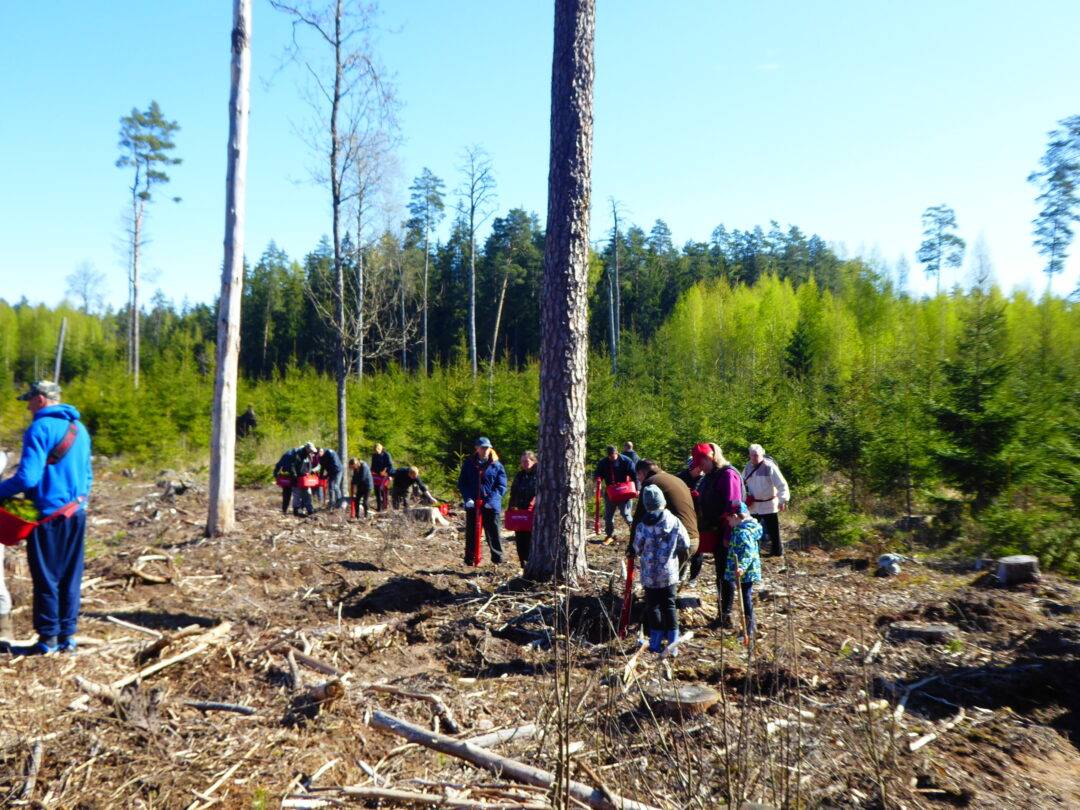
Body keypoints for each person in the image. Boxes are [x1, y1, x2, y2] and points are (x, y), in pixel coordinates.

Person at [0, 381, 92, 655]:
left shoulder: (40, 428)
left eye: (29, 401)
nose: (28, 407)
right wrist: (78, 502)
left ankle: (48, 640)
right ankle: (67, 638)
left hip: (47, 517)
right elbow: (88, 476)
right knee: (70, 576)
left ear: (40, 399)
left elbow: (27, 478)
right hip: (76, 513)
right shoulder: (80, 429)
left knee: (46, 578)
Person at [632, 485, 690, 654]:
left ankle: (655, 643)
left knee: (653, 606)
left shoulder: (642, 525)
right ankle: (673, 645)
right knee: (670, 605)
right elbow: (685, 543)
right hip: (669, 573)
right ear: (662, 502)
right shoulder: (674, 521)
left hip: (649, 575)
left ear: (646, 505)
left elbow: (637, 548)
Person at [687, 442, 743, 599]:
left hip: (726, 531)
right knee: (720, 572)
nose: (700, 468)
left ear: (709, 458)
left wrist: (728, 535)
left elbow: (733, 508)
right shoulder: (709, 476)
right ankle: (722, 609)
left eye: (701, 463)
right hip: (714, 530)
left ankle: (726, 611)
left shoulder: (727, 475)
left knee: (725, 574)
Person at [629, 459, 698, 578]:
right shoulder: (676, 479)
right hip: (693, 539)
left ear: (641, 472)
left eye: (638, 476)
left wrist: (631, 547)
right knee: (672, 580)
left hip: (678, 541)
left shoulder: (651, 483)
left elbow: (639, 516)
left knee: (663, 581)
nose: (638, 480)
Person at [457, 437, 508, 565]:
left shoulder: (496, 465)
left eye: (487, 448)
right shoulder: (469, 464)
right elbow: (463, 483)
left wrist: (491, 501)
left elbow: (501, 486)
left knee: (493, 532)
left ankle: (497, 559)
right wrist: (468, 498)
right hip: (473, 504)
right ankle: (470, 559)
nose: (485, 450)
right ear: (477, 448)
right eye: (482, 448)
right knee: (472, 532)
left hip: (491, 505)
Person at [720, 501, 763, 636]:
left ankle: (749, 630)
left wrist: (742, 567)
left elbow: (748, 552)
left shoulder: (743, 532)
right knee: (745, 597)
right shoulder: (741, 529)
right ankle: (749, 628)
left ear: (735, 516)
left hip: (745, 572)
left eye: (728, 518)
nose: (727, 521)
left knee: (745, 598)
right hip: (744, 571)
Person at [742, 444, 790, 557]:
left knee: (773, 530)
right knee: (752, 529)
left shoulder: (769, 467)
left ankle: (777, 552)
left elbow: (782, 484)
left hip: (769, 504)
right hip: (754, 505)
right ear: (749, 455)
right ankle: (754, 552)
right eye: (752, 455)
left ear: (762, 454)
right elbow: (742, 483)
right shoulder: (748, 467)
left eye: (756, 455)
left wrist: (782, 500)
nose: (754, 457)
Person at [593, 444, 636, 545]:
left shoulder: (626, 461)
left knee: (625, 513)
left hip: (624, 491)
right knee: (608, 515)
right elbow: (597, 473)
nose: (611, 458)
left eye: (613, 455)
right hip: (611, 492)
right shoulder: (603, 462)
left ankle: (635, 533)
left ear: (617, 452)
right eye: (609, 456)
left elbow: (634, 475)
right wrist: (598, 479)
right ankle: (609, 535)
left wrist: (637, 489)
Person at [508, 450, 538, 567]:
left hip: (534, 512)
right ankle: (523, 562)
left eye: (527, 461)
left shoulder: (540, 474)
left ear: (533, 461)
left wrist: (533, 504)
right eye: (522, 462)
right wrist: (511, 507)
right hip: (520, 511)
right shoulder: (520, 475)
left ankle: (532, 562)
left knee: (531, 538)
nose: (524, 464)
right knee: (520, 537)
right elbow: (513, 492)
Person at [292, 442, 319, 516]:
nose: (312, 452)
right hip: (298, 478)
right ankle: (296, 510)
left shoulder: (309, 456)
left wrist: (310, 472)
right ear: (307, 449)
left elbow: (309, 466)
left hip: (306, 479)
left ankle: (310, 510)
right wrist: (294, 474)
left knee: (308, 494)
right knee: (297, 495)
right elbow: (293, 466)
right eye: (311, 450)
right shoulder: (298, 455)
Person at [273, 446, 300, 515]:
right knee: (293, 494)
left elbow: (279, 464)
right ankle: (292, 510)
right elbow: (280, 464)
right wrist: (276, 474)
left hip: (288, 477)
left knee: (287, 494)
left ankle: (285, 510)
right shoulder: (290, 455)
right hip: (289, 477)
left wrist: (275, 473)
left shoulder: (288, 454)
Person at [371, 443, 394, 511]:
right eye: (375, 450)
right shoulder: (374, 455)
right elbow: (373, 466)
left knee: (384, 490)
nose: (376, 451)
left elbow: (390, 465)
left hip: (385, 474)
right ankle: (379, 507)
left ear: (381, 449)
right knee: (377, 490)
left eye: (377, 450)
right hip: (376, 474)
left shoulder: (386, 455)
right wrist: (373, 473)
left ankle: (385, 506)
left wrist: (386, 472)